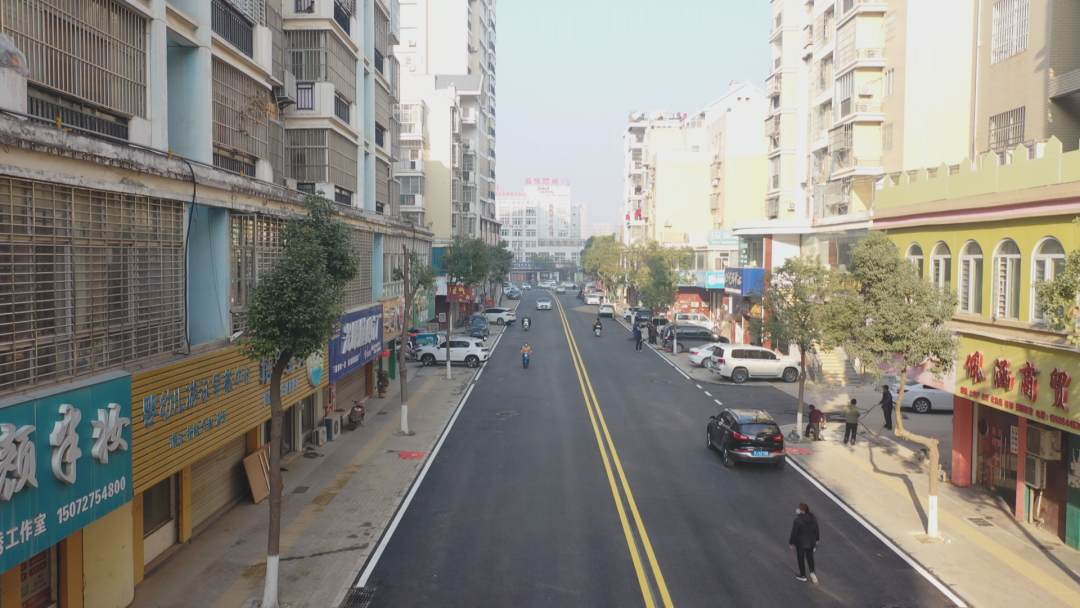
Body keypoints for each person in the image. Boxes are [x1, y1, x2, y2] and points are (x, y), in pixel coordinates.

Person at [789, 503, 820, 583]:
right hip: (811, 542)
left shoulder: (797, 520)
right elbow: (816, 529)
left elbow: (794, 533)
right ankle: (812, 572)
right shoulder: (813, 518)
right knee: (810, 558)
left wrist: (791, 542)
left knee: (801, 558)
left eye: (799, 509)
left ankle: (803, 575)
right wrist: (817, 539)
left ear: (802, 511)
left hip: (800, 543)